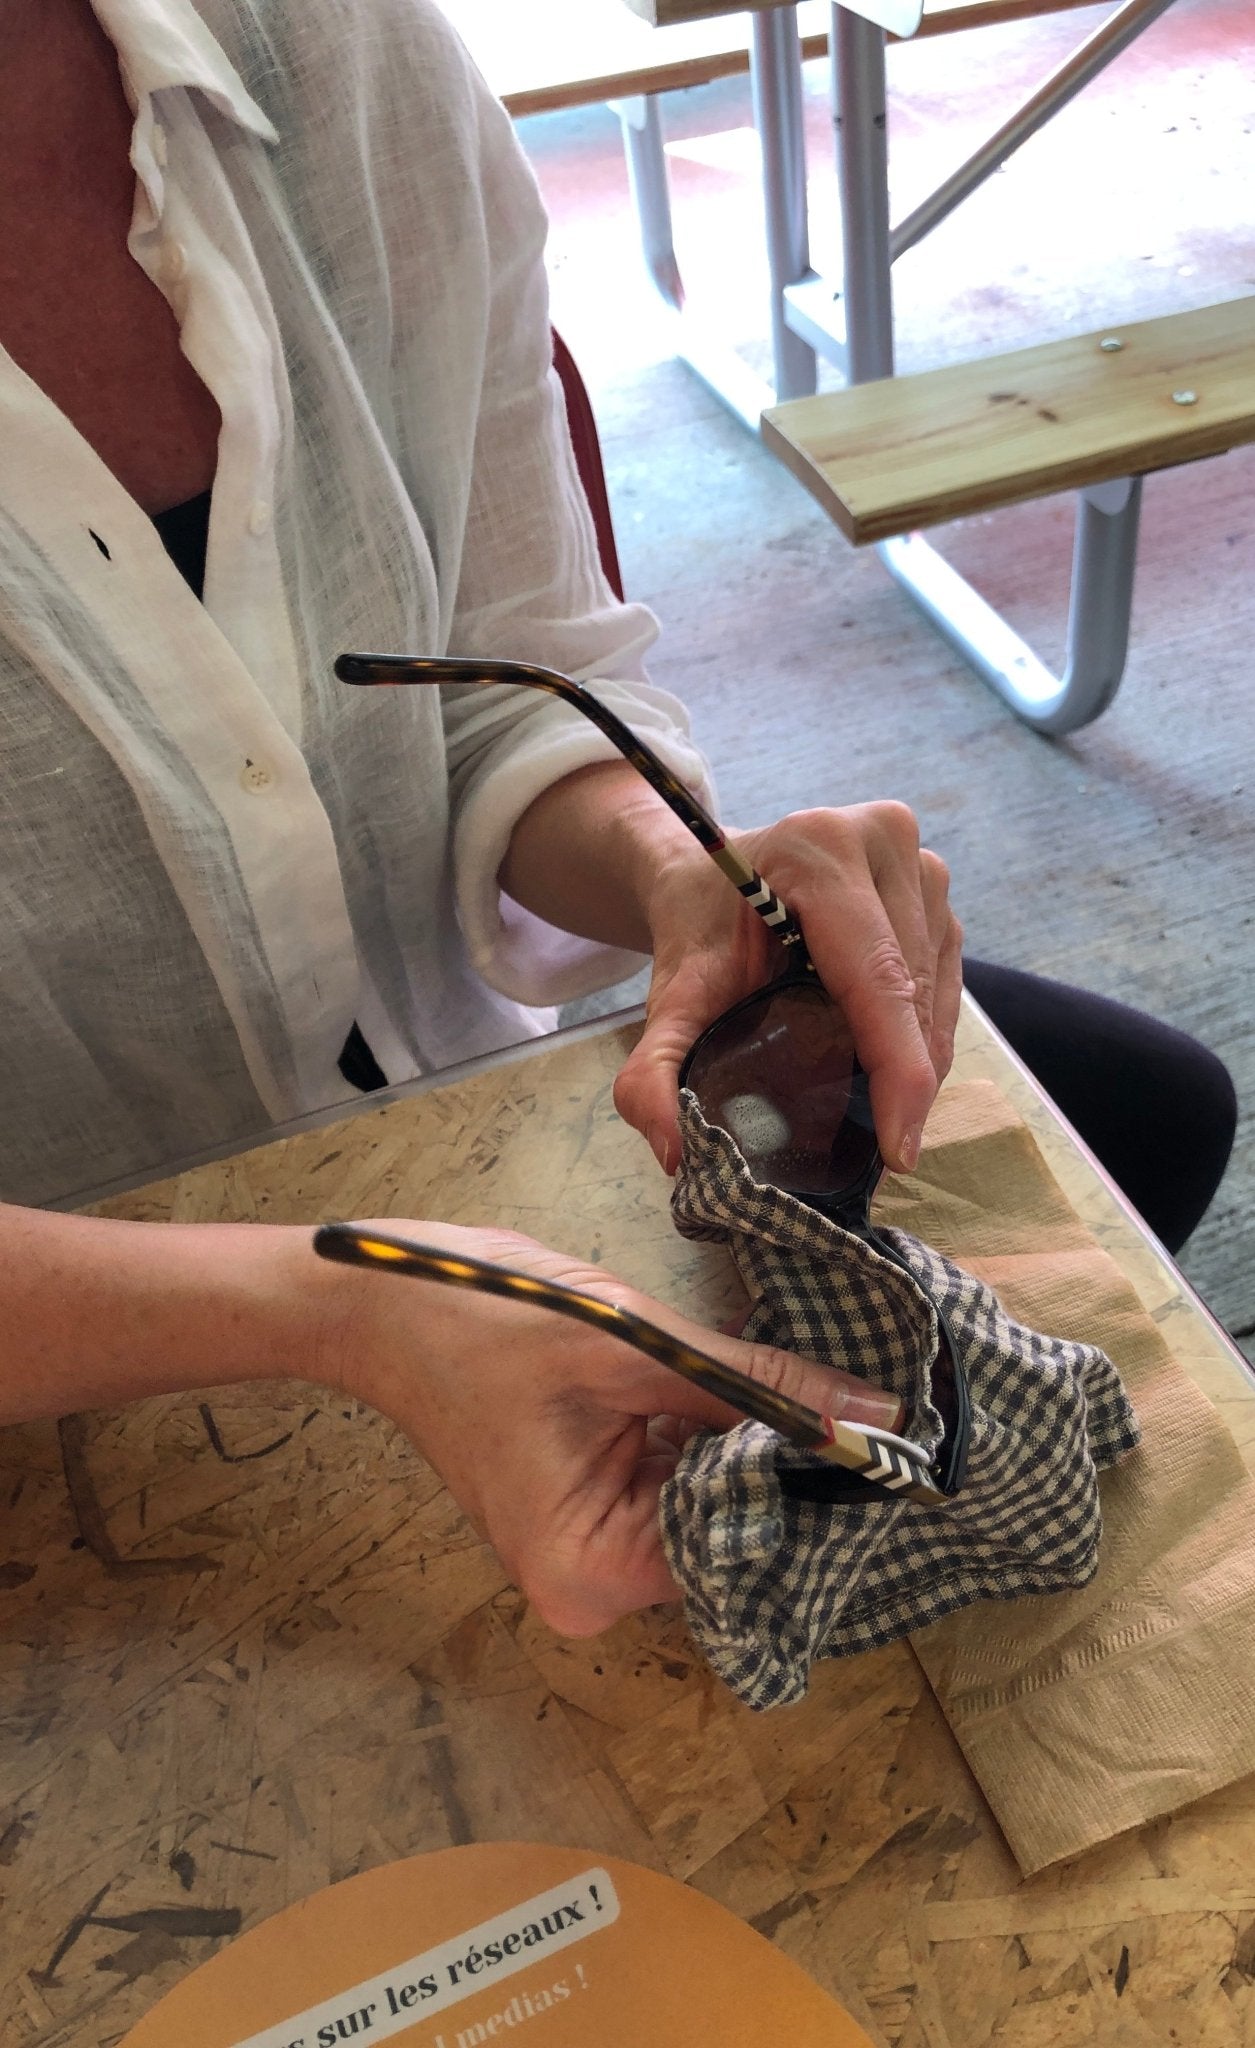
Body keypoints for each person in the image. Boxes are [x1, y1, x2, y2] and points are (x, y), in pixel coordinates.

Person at [0, 0, 1234, 1639]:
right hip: (74, 1348)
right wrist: (351, 1310)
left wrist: (675, 877)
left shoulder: (335, 56)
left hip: (468, 1128)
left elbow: (499, 684)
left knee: (1151, 1108)